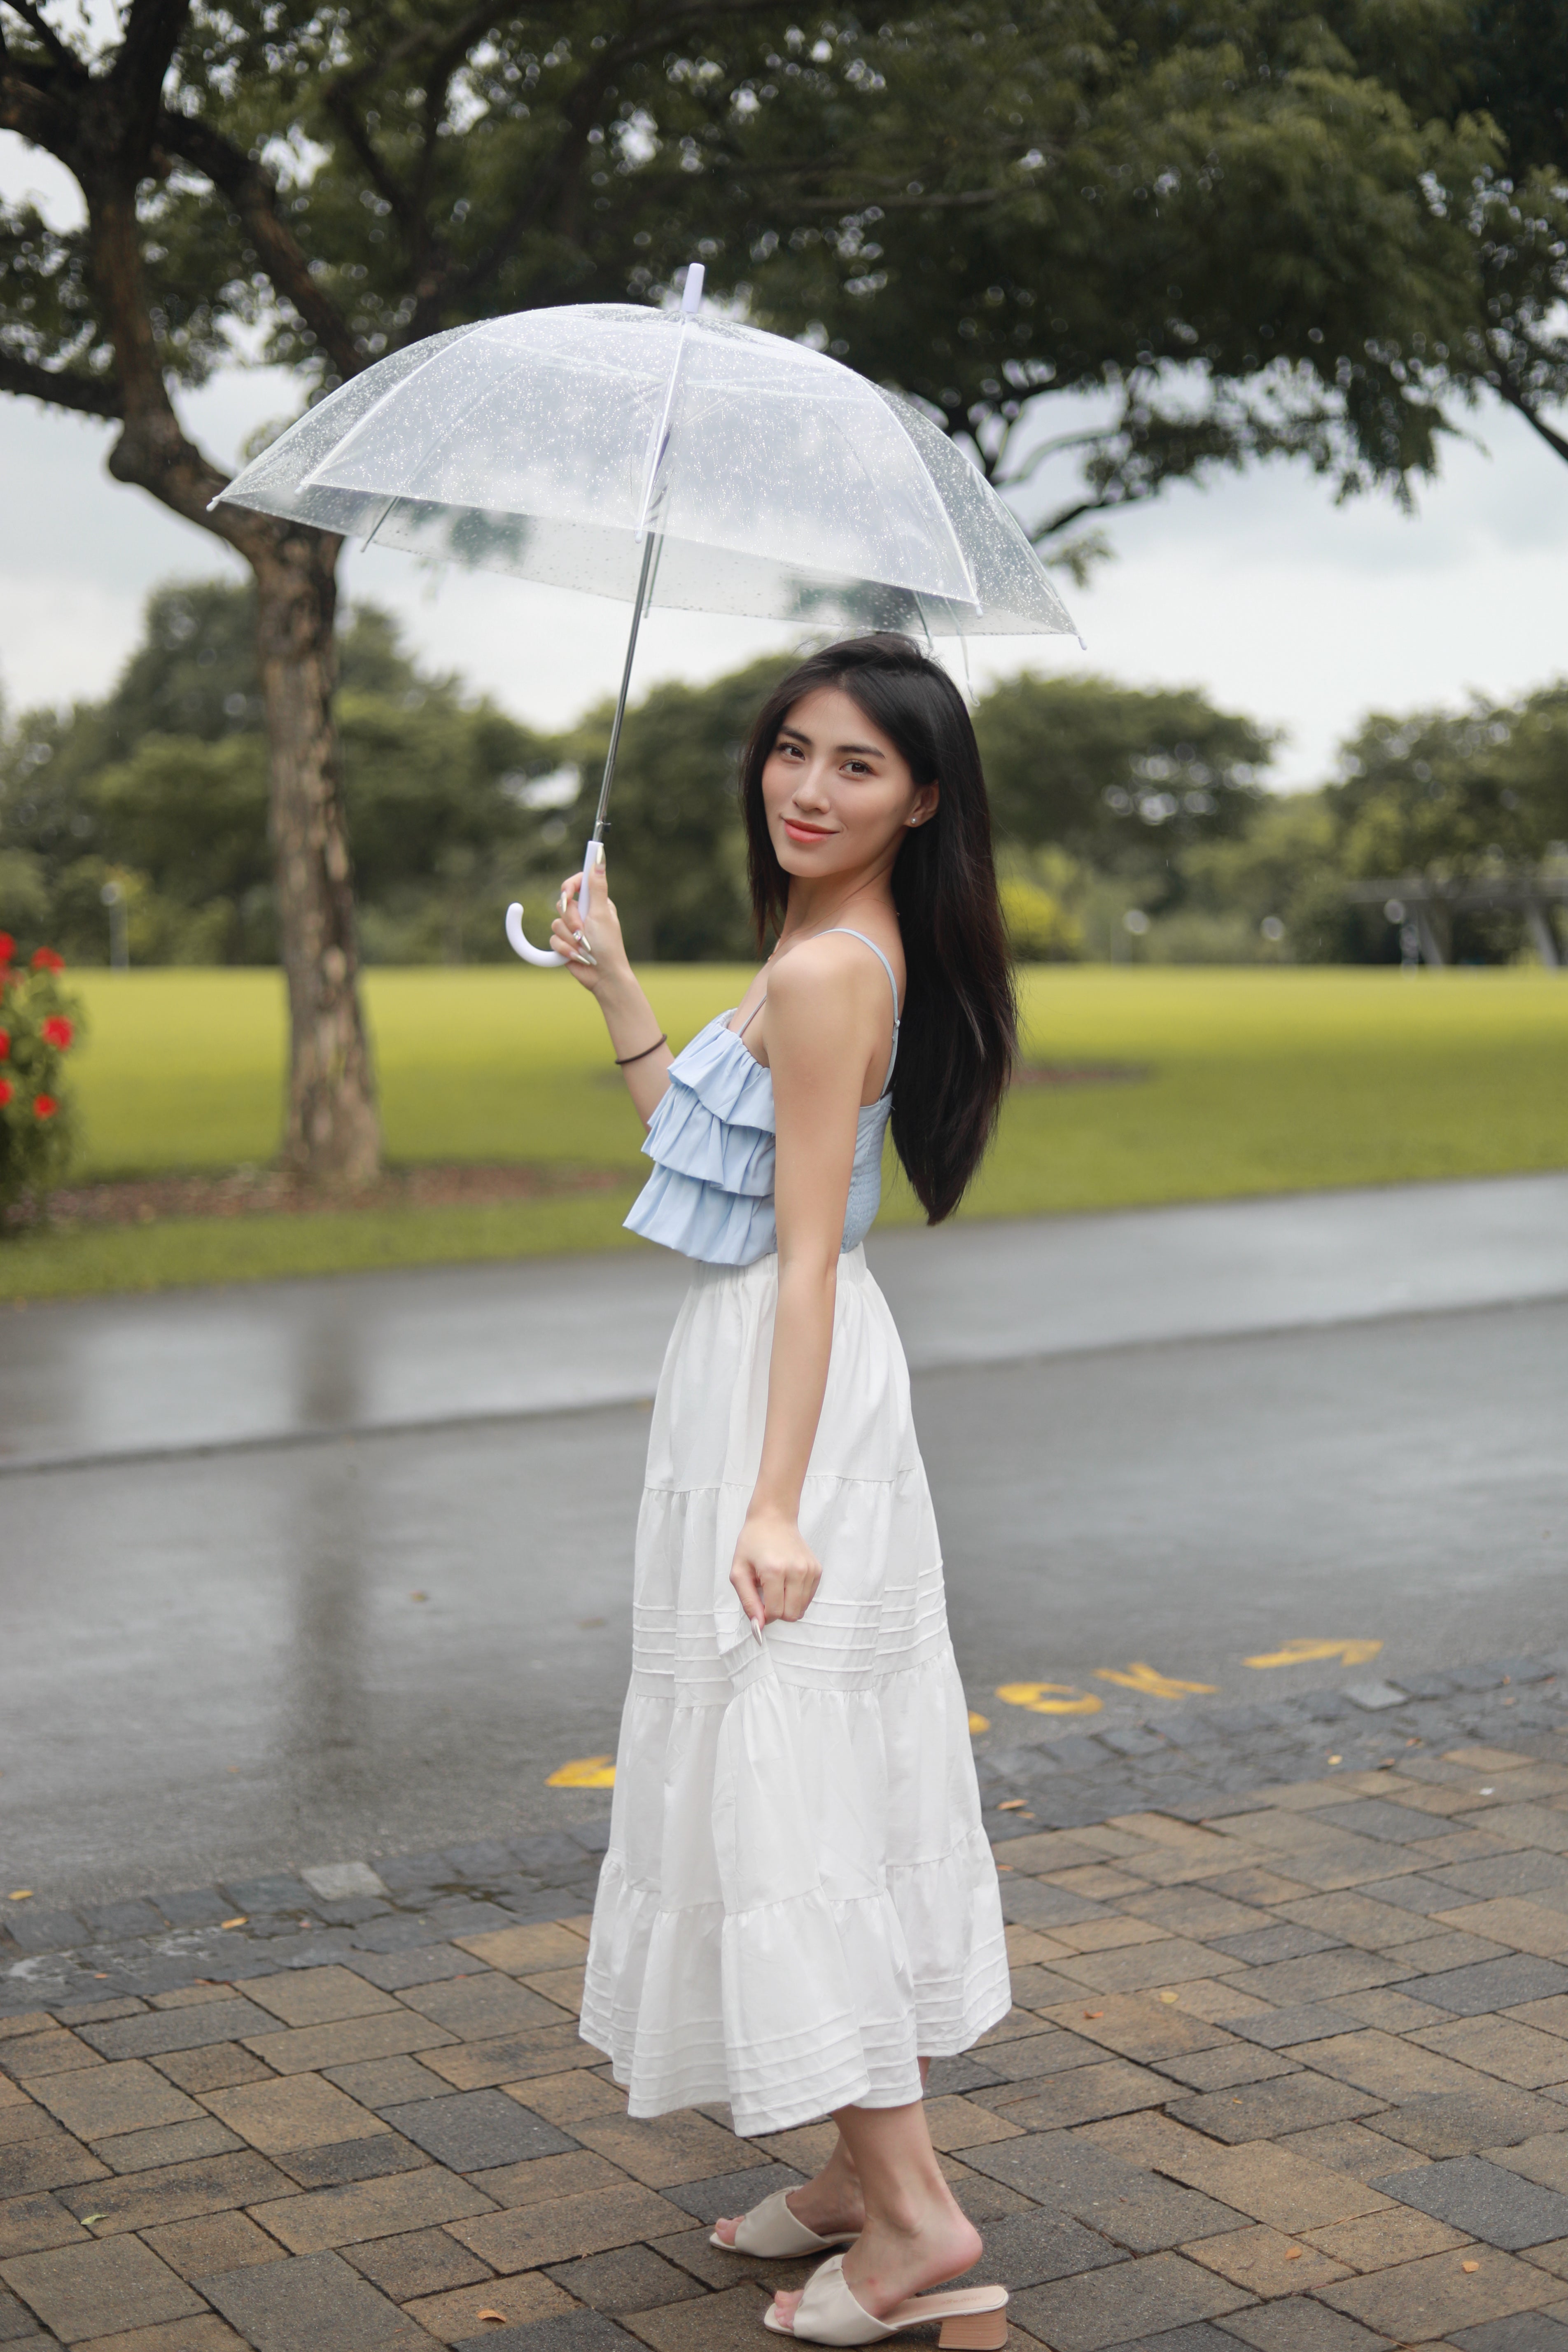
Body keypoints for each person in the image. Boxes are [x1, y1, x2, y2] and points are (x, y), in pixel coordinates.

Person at [555, 633, 1015, 2350]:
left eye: (857, 767)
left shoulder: (835, 970)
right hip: (760, 1367)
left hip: (787, 1393)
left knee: (787, 1792)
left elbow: (806, 1262)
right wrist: (618, 994)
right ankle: (847, 2171)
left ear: (922, 800)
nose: (809, 790)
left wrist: (772, 1501)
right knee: (797, 1776)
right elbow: (719, 1180)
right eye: (793, 752)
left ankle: (910, 2228)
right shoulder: (821, 944)